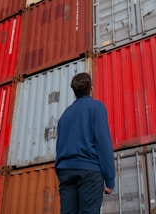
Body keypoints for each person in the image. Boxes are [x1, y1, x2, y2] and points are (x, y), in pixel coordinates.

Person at [55, 72, 115, 214]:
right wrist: (110, 179)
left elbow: (59, 148)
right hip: (89, 172)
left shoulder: (64, 115)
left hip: (66, 172)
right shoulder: (96, 107)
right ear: (91, 89)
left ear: (75, 92)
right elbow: (103, 143)